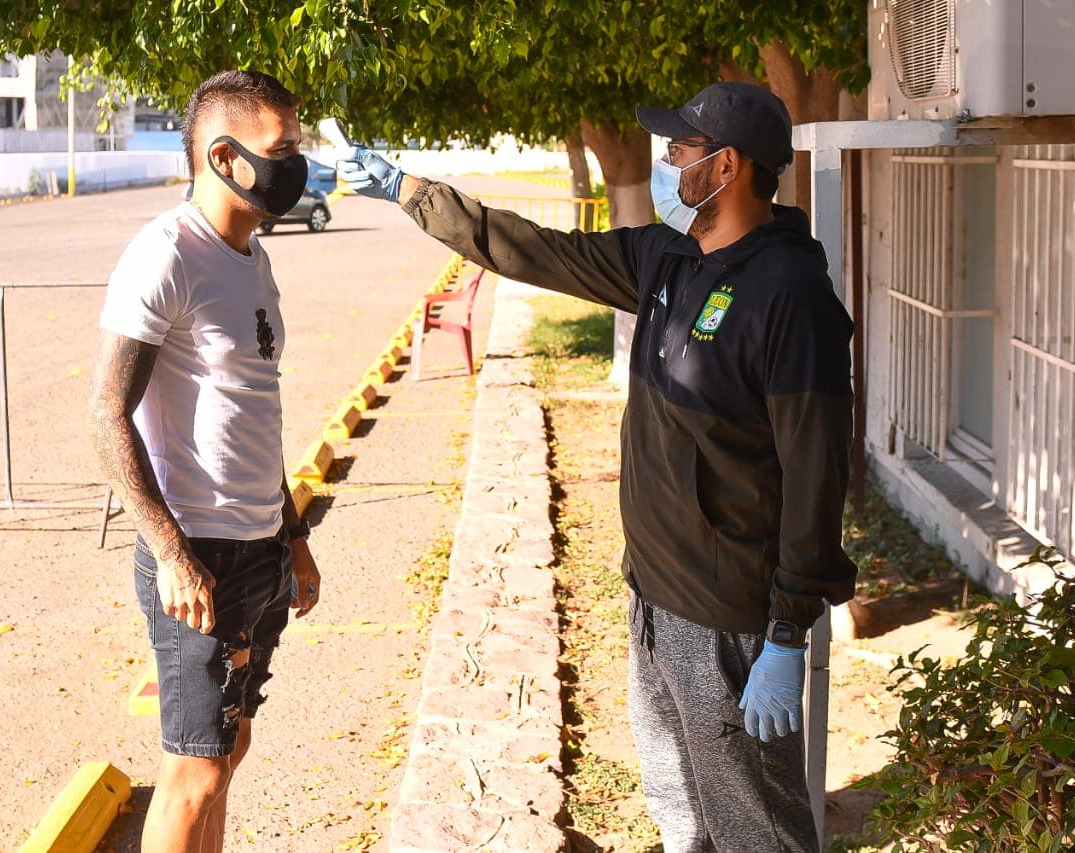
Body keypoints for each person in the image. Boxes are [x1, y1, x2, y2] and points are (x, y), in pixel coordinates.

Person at [337, 81, 857, 852]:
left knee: (755, 828)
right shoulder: (666, 259)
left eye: (679, 151)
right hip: (652, 593)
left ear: (728, 168)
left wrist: (786, 630)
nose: (664, 163)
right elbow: (535, 249)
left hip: (729, 616)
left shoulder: (790, 296)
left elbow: (817, 473)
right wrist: (415, 194)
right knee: (679, 805)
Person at [87, 70, 321, 853]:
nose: (298, 161)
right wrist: (171, 553)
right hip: (199, 557)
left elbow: (254, 408)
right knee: (193, 775)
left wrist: (293, 539)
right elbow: (106, 414)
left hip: (258, 552)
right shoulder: (165, 255)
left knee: (228, 754)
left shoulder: (251, 255)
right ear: (224, 156)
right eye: (282, 147)